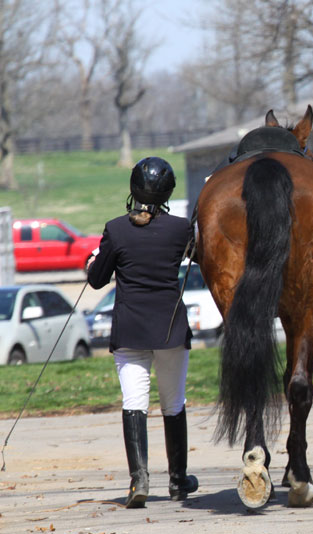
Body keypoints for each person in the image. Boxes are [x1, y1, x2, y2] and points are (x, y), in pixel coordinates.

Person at [86, 157, 198, 508]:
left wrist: (94, 258)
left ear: (133, 189)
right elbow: (201, 257)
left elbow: (96, 279)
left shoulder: (116, 229)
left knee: (134, 403)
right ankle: (178, 482)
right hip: (170, 329)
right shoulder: (181, 229)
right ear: (168, 192)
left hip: (131, 329)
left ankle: (139, 481)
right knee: (173, 404)